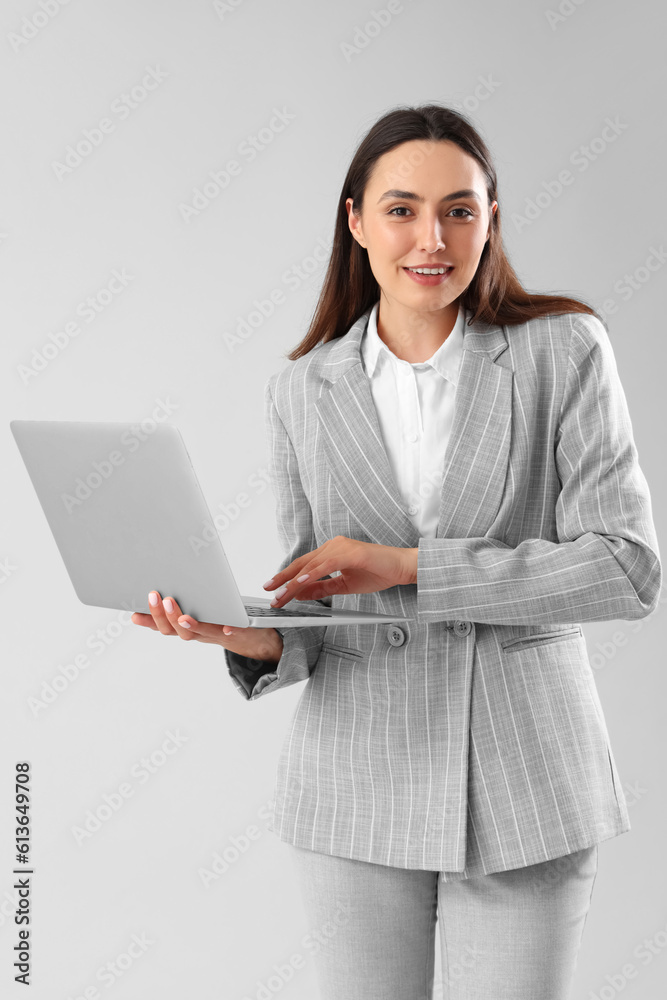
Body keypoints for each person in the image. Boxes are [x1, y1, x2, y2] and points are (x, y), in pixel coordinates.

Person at [131, 104, 662, 999]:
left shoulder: (562, 350)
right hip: (353, 784)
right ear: (354, 221)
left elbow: (625, 568)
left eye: (460, 209)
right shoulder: (301, 389)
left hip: (525, 782)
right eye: (402, 208)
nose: (432, 237)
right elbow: (318, 606)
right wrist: (250, 637)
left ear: (491, 218)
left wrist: (411, 568)